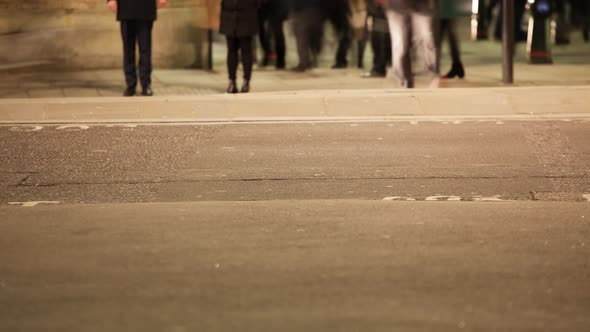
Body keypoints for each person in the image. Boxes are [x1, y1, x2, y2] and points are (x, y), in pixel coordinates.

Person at [107, 0, 168, 97]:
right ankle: (130, 84)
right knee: (128, 49)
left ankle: (146, 84)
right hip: (126, 7)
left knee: (145, 48)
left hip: (145, 7)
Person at [382, 0, 439, 88]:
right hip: (397, 6)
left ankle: (431, 73)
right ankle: (404, 79)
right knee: (400, 45)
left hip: (420, 7)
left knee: (425, 38)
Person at [220, 0, 261, 93]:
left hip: (246, 16)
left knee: (246, 51)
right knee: (231, 50)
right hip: (229, 16)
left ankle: (246, 81)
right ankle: (232, 81)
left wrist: (253, 6)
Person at [289, 0, 323, 72]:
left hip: (301, 11)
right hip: (314, 11)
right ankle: (307, 61)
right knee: (306, 37)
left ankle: (304, 63)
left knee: (301, 38)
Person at [320, 0, 353, 69]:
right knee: (345, 40)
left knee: (344, 40)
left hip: (338, 20)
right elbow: (346, 8)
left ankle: (341, 61)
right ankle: (341, 61)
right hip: (341, 20)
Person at [258, 0, 289, 69]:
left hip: (276, 9)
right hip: (262, 9)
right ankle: (268, 56)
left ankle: (280, 61)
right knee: (263, 34)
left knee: (277, 35)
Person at [439, 0, 464, 79]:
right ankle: (457, 66)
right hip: (445, 8)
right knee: (450, 37)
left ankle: (457, 66)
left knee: (439, 39)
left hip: (442, 8)